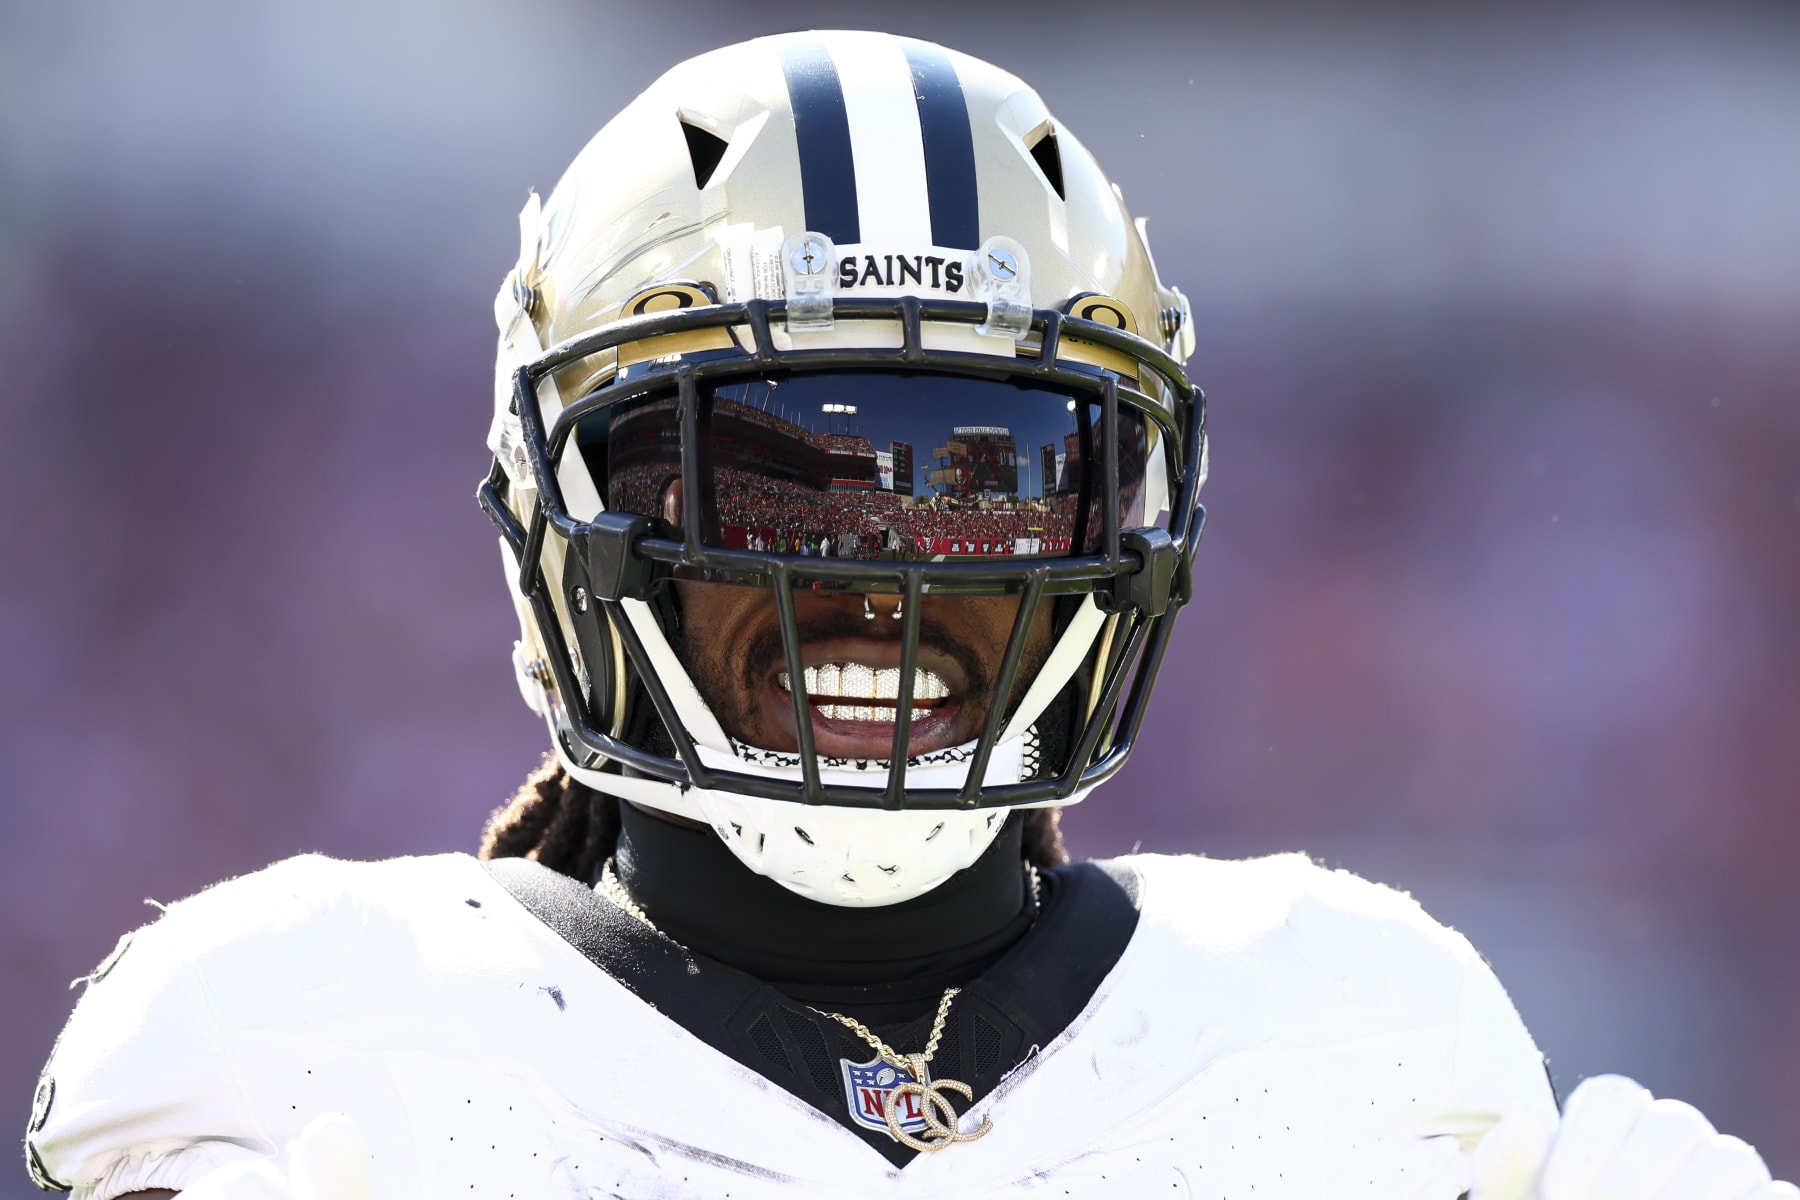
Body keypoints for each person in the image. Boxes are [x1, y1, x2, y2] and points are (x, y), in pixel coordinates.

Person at [25, 31, 1794, 1200]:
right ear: (569, 518)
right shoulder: (304, 1046)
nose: (878, 576)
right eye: (766, 476)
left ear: (1124, 523)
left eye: (988, 479)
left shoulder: (1359, 1037)